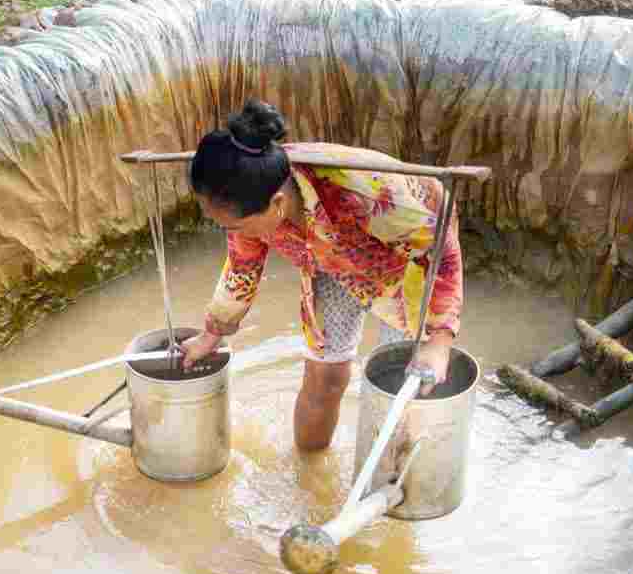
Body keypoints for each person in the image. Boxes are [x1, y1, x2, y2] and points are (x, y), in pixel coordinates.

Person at [179, 101, 462, 452]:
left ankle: (393, 483)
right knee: (323, 377)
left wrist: (440, 340)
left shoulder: (369, 194)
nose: (230, 232)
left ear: (278, 204)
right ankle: (308, 476)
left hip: (408, 263)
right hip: (328, 260)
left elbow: (439, 249)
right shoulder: (247, 186)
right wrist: (212, 334)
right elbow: (242, 265)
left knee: (403, 385)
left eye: (234, 225)